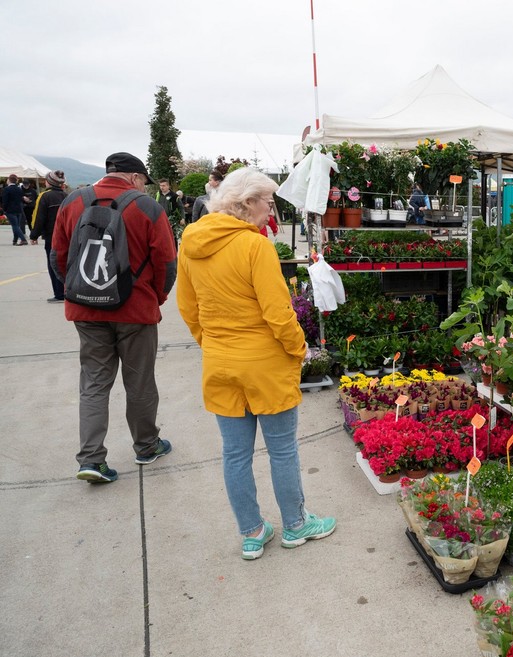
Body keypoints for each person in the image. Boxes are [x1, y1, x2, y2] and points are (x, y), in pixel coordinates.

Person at [176, 166, 336, 560]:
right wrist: (299, 349)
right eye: (267, 202)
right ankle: (295, 525)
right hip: (264, 364)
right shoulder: (254, 246)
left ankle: (251, 533)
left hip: (220, 363)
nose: (271, 210)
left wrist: (212, 343)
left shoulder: (191, 243)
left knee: (235, 454)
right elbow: (278, 313)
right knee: (282, 450)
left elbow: (188, 308)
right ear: (247, 203)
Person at [50, 152, 178, 483]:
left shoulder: (72, 202)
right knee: (140, 381)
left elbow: (58, 254)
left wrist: (76, 290)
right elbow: (166, 262)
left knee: (93, 382)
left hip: (86, 310)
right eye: (144, 181)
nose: (145, 187)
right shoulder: (147, 207)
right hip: (135, 311)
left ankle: (91, 460)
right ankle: (146, 446)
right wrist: (156, 297)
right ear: (134, 177)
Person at [28, 170, 68, 302]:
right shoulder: (67, 196)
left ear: (49, 182)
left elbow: (39, 217)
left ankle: (59, 294)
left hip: (52, 236)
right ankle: (68, 292)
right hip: (68, 236)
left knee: (53, 264)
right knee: (67, 263)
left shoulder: (44, 196)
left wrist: (34, 235)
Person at [3, 174, 28, 245]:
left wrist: (4, 209)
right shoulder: (19, 189)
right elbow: (21, 199)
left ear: (9, 180)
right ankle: (15, 240)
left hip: (10, 210)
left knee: (14, 225)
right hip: (18, 209)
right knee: (17, 225)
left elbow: (5, 201)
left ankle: (23, 239)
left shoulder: (6, 189)